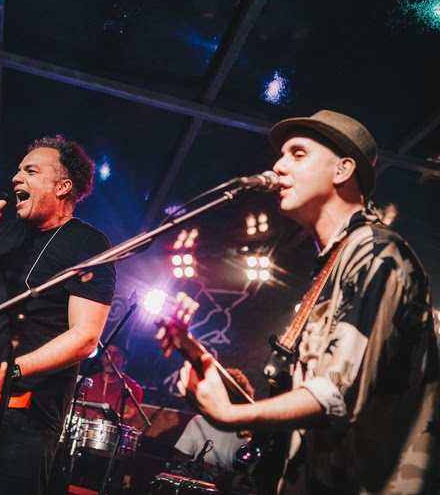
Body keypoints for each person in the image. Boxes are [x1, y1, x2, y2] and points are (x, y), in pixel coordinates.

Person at [177, 110, 439, 494]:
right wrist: (199, 357)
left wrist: (232, 415)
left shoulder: (376, 253)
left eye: (297, 154)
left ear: (342, 170)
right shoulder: (334, 264)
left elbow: (335, 395)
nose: (278, 166)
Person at [0, 134, 117, 495]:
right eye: (18, 170)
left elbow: (85, 337)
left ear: (62, 187)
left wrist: (9, 372)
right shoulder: (2, 232)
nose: (16, 178)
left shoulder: (88, 244)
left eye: (31, 171)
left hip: (29, 417)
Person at [173, 368, 254, 477]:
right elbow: (181, 458)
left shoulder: (246, 430)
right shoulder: (198, 421)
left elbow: (246, 472)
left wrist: (226, 476)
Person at [78, 340, 143, 424]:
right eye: (107, 354)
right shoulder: (89, 382)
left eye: (117, 355)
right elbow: (78, 411)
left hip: (112, 430)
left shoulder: (132, 387)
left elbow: (129, 415)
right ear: (102, 357)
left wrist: (109, 418)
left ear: (125, 360)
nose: (110, 358)